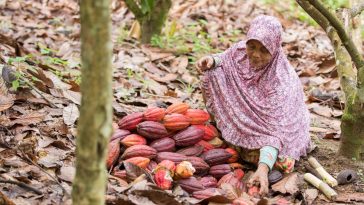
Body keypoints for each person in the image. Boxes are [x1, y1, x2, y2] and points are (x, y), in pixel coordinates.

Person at [196, 15, 312, 196]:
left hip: (277, 130)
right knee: (212, 74)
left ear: (274, 49)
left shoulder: (281, 82)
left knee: (283, 162)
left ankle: (252, 154)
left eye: (264, 50)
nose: (256, 54)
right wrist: (211, 60)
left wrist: (264, 169)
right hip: (246, 117)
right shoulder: (241, 51)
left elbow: (275, 131)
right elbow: (224, 59)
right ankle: (225, 128)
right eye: (252, 47)